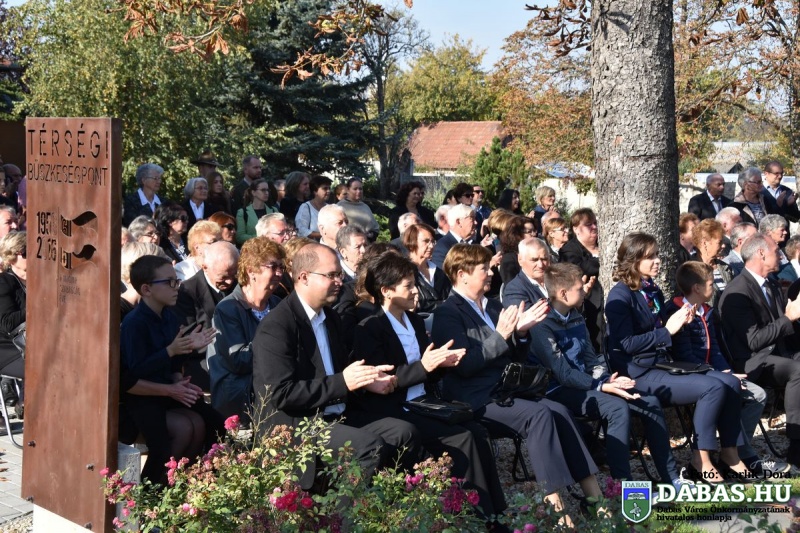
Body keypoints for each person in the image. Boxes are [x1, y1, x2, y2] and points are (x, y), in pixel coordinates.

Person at [433, 244, 604, 527]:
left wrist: (521, 334)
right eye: (484, 269)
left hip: (506, 390)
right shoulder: (448, 313)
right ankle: (557, 512)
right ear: (462, 274)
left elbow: (512, 356)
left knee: (560, 412)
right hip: (475, 397)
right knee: (539, 416)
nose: (492, 273)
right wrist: (502, 335)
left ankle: (597, 500)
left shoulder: (492, 306)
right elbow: (464, 365)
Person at [251, 244, 422, 489]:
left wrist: (367, 381)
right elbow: (279, 394)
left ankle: (394, 502)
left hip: (336, 413)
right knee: (368, 447)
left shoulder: (330, 317)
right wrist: (345, 382)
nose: (339, 281)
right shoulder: (277, 326)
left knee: (405, 433)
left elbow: (339, 371)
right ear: (304, 277)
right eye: (331, 275)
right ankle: (343, 512)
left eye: (340, 274)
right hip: (299, 425)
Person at [352, 253, 506, 518]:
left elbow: (428, 371)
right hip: (396, 407)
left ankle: (495, 512)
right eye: (408, 286)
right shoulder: (370, 328)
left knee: (477, 431)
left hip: (424, 402)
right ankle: (474, 516)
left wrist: (441, 364)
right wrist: (425, 366)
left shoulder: (413, 321)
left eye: (415, 284)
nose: (416, 291)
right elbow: (384, 379)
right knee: (463, 438)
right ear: (386, 291)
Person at [605, 232, 752, 482]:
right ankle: (700, 458)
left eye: (657, 255)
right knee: (712, 388)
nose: (658, 261)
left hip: (662, 364)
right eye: (650, 257)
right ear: (633, 260)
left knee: (729, 382)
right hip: (638, 372)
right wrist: (667, 331)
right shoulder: (620, 296)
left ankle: (730, 453)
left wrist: (681, 322)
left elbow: (661, 328)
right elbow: (625, 344)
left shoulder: (652, 290)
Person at [531, 262, 688, 488]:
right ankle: (624, 488)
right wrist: (601, 385)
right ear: (563, 293)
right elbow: (563, 373)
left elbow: (591, 358)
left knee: (650, 403)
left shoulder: (575, 315)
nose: (585, 291)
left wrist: (607, 379)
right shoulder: (541, 324)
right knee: (617, 408)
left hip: (588, 384)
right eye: (579, 288)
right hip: (558, 390)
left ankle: (671, 477)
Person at [666, 261, 787, 476]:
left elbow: (716, 350)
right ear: (697, 288)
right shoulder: (677, 310)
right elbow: (684, 355)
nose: (714, 288)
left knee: (757, 394)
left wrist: (727, 372)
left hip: (712, 371)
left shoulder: (707, 311)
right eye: (710, 284)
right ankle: (736, 455)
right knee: (731, 388)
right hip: (693, 374)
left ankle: (736, 451)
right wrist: (716, 373)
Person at [120, 255, 224, 484]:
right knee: (179, 434)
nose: (177, 287)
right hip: (143, 397)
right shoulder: (134, 323)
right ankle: (152, 492)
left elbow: (174, 362)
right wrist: (170, 351)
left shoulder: (169, 315)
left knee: (213, 423)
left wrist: (181, 368)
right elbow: (134, 372)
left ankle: (191, 483)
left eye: (176, 280)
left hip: (169, 390)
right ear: (146, 289)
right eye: (169, 282)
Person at [719, 233, 800, 467]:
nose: (781, 255)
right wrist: (788, 318)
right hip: (753, 361)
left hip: (778, 352)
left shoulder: (770, 284)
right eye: (776, 251)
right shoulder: (737, 292)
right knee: (797, 370)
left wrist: (790, 318)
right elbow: (753, 341)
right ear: (761, 254)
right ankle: (797, 446)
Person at [208, 238, 283, 420]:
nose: (279, 273)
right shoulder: (228, 309)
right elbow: (239, 360)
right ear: (251, 271)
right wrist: (279, 348)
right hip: (238, 396)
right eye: (273, 267)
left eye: (281, 267)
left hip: (271, 388)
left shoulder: (278, 305)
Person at [560, 208, 603, 352]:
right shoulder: (569, 250)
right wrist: (602, 260)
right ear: (576, 229)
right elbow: (581, 269)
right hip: (588, 305)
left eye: (595, 223)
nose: (594, 227)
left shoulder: (604, 244)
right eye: (588, 224)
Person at [404, 223, 451, 313]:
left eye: (432, 241)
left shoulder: (439, 272)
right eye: (426, 241)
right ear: (411, 242)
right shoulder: (403, 272)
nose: (431, 246)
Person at [692, 218, 733, 308]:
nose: (723, 245)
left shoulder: (725, 267)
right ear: (704, 243)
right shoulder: (691, 270)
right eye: (719, 242)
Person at [431, 204, 478, 268]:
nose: (476, 222)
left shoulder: (474, 244)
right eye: (472, 218)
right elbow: (443, 272)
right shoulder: (442, 247)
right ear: (458, 222)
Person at [236, 178, 277, 245]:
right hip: (253, 248)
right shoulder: (242, 212)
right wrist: (261, 237)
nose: (266, 193)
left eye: (267, 190)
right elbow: (240, 237)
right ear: (253, 192)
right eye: (263, 190)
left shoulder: (274, 210)